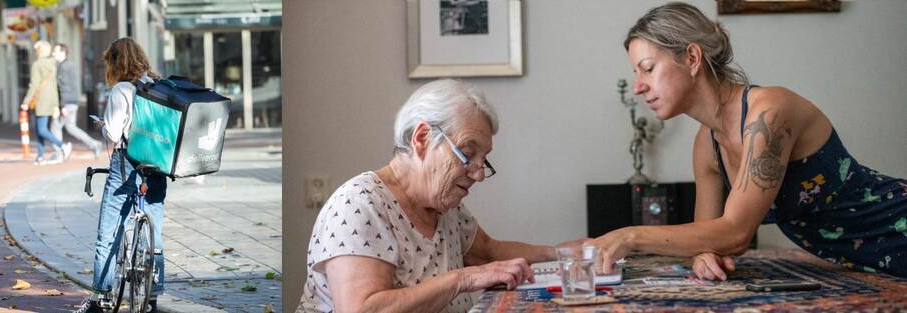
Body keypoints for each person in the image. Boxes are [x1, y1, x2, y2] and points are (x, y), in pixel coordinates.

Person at [586, 2, 907, 279]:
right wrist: (704, 256)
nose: (638, 87)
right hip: (872, 265)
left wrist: (630, 236)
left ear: (693, 58)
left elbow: (736, 232)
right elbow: (710, 235)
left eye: (647, 69)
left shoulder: (769, 112)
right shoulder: (706, 145)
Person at [296, 79, 587, 313]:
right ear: (422, 139)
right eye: (468, 154)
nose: (479, 174)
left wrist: (562, 254)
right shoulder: (360, 204)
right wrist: (465, 278)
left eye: (483, 160)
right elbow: (362, 308)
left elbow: (489, 252)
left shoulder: (443, 207)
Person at [75, 37, 167, 313]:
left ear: (114, 62)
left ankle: (99, 299)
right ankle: (152, 295)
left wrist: (104, 126)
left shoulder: (121, 90)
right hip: (159, 166)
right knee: (155, 229)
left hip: (127, 163)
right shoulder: (155, 86)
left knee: (109, 232)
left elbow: (115, 134)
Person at [21, 40, 71, 165]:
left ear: (39, 51)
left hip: (41, 100)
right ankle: (40, 156)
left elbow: (34, 85)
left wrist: (26, 101)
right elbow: (54, 85)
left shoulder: (37, 65)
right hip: (51, 100)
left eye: (36, 49)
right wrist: (55, 104)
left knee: (42, 129)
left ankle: (62, 145)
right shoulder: (53, 63)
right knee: (39, 129)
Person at [52, 43, 104, 157]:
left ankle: (59, 151)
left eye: (55, 51)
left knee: (55, 125)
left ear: (63, 52)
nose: (53, 53)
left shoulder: (63, 67)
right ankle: (94, 144)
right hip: (72, 101)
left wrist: (63, 105)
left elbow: (64, 86)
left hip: (67, 102)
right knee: (71, 127)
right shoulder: (70, 65)